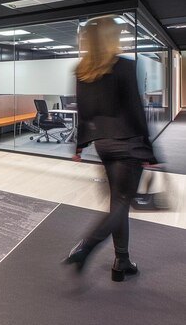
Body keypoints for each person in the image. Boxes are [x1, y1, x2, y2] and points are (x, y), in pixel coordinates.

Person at [63, 15, 157, 282]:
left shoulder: (82, 71)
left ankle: (122, 262)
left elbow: (85, 113)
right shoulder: (124, 67)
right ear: (110, 39)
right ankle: (86, 247)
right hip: (128, 143)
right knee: (121, 204)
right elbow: (136, 111)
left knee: (119, 203)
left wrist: (79, 146)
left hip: (103, 145)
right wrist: (149, 151)